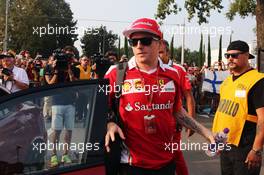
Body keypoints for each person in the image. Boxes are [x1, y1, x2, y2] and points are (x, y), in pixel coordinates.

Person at [104, 17, 214, 175]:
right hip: (130, 164)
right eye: (133, 42)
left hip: (166, 162)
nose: (139, 46)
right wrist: (109, 123)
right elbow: (100, 107)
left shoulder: (173, 73)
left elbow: (177, 111)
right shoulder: (116, 73)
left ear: (159, 43)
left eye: (145, 40)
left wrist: (206, 132)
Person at [212, 40, 264, 175]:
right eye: (227, 55)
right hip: (226, 144)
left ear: (247, 56)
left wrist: (256, 150)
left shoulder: (258, 81)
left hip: (245, 148)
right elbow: (223, 114)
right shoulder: (227, 81)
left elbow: (263, 119)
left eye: (235, 55)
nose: (230, 58)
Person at [159, 40, 195, 175]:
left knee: (175, 155)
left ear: (168, 53)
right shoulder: (149, 68)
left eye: (161, 53)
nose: (158, 56)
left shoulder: (178, 69)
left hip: (173, 123)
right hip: (153, 123)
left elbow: (189, 97)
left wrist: (191, 122)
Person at [48, 48, 79, 167]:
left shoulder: (74, 69)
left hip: (70, 103)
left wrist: (69, 71)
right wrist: (56, 71)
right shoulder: (53, 69)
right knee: (56, 131)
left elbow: (75, 84)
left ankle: (66, 154)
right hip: (57, 102)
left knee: (69, 130)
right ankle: (54, 155)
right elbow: (50, 84)